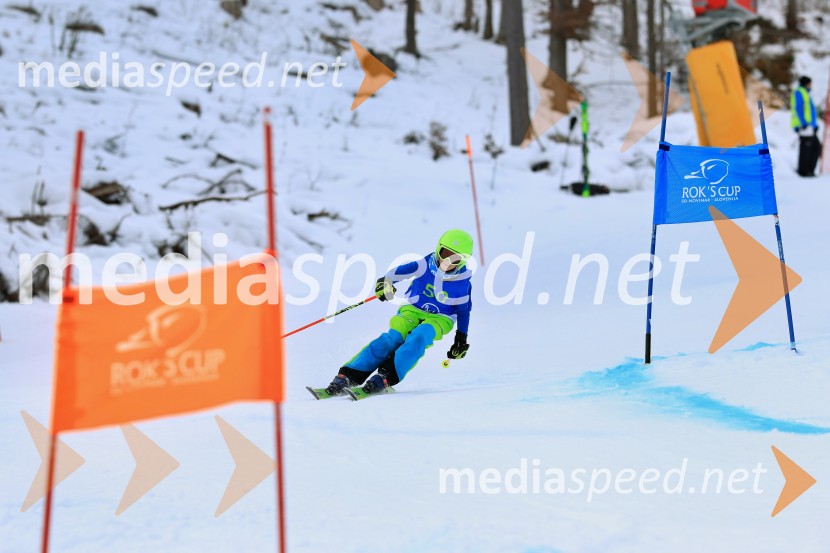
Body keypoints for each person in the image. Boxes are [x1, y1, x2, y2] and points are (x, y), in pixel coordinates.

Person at [324, 229, 474, 397]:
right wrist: (386, 283)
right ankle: (349, 375)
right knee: (392, 339)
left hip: (441, 317)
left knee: (419, 336)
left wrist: (461, 338)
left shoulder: (462, 283)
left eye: (455, 258)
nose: (447, 261)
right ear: (438, 248)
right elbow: (397, 273)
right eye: (445, 253)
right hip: (413, 309)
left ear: (462, 261)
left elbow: (463, 312)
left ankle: (386, 376)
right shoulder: (425, 264)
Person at [790, 75, 821, 177]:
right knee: (806, 148)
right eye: (810, 83)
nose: (811, 85)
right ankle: (803, 171)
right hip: (804, 126)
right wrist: (803, 124)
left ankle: (810, 170)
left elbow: (810, 111)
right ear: (806, 83)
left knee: (816, 146)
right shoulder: (799, 92)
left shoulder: (806, 93)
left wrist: (814, 125)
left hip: (809, 126)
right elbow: (798, 108)